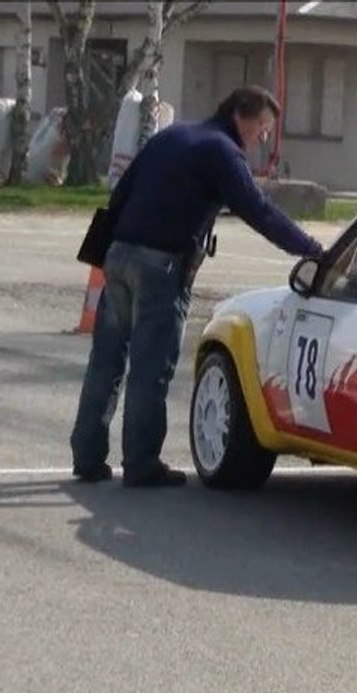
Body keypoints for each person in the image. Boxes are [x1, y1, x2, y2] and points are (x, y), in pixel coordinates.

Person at [70, 85, 324, 487]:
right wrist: (311, 250)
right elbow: (258, 210)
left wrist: (112, 247)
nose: (263, 138)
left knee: (106, 359)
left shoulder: (171, 137)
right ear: (241, 114)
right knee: (151, 367)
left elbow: (121, 192)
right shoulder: (222, 152)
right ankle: (141, 463)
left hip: (119, 254)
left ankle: (87, 456)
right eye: (262, 127)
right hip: (162, 265)